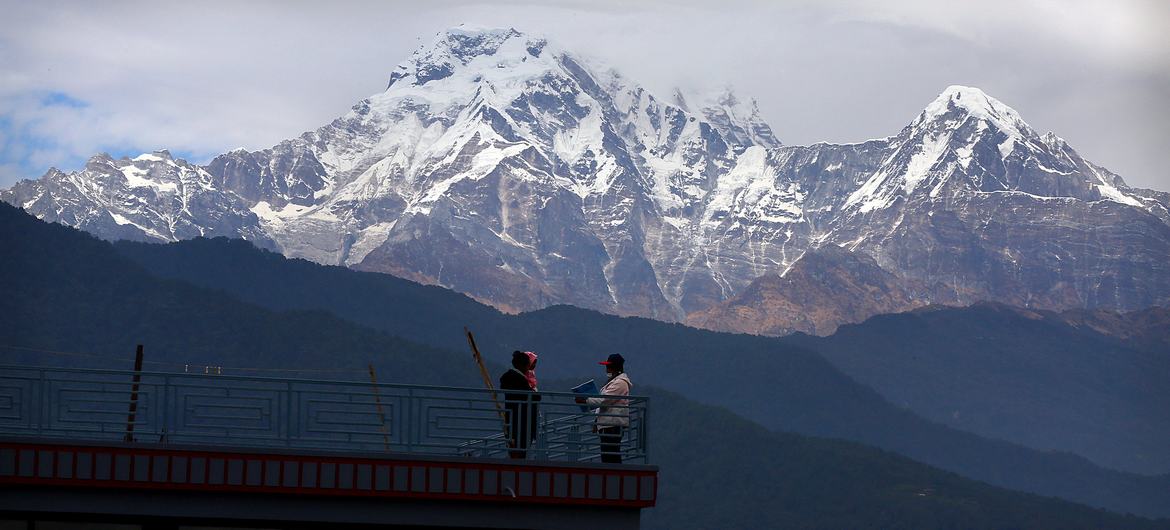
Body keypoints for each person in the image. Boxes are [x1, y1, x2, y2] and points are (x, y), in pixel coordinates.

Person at [576, 353, 631, 464]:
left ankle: (615, 474)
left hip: (613, 424)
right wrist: (597, 421)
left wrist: (586, 400)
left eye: (608, 366)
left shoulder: (620, 383)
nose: (606, 368)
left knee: (611, 454)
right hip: (608, 423)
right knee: (608, 453)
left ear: (614, 367)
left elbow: (605, 400)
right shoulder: (615, 381)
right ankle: (614, 474)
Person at [499, 350, 540, 459]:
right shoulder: (519, 379)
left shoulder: (511, 378)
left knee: (515, 447)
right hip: (522, 420)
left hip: (513, 419)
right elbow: (534, 396)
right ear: (524, 365)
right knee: (521, 448)